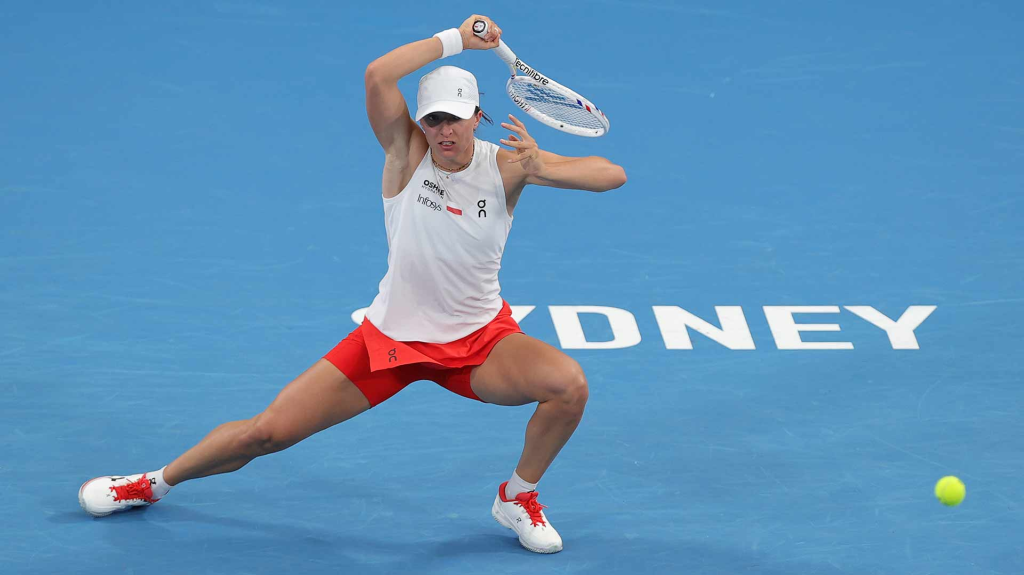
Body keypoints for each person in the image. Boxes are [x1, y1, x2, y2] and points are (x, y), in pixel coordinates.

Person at [78, 14, 626, 555]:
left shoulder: (508, 166)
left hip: (479, 343)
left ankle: (516, 496)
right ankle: (152, 482)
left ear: (477, 118)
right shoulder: (406, 155)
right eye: (434, 120)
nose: (445, 131)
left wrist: (543, 168)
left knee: (568, 386)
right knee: (265, 433)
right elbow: (378, 75)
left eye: (456, 119)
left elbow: (611, 175)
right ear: (421, 123)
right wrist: (456, 40)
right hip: (390, 340)